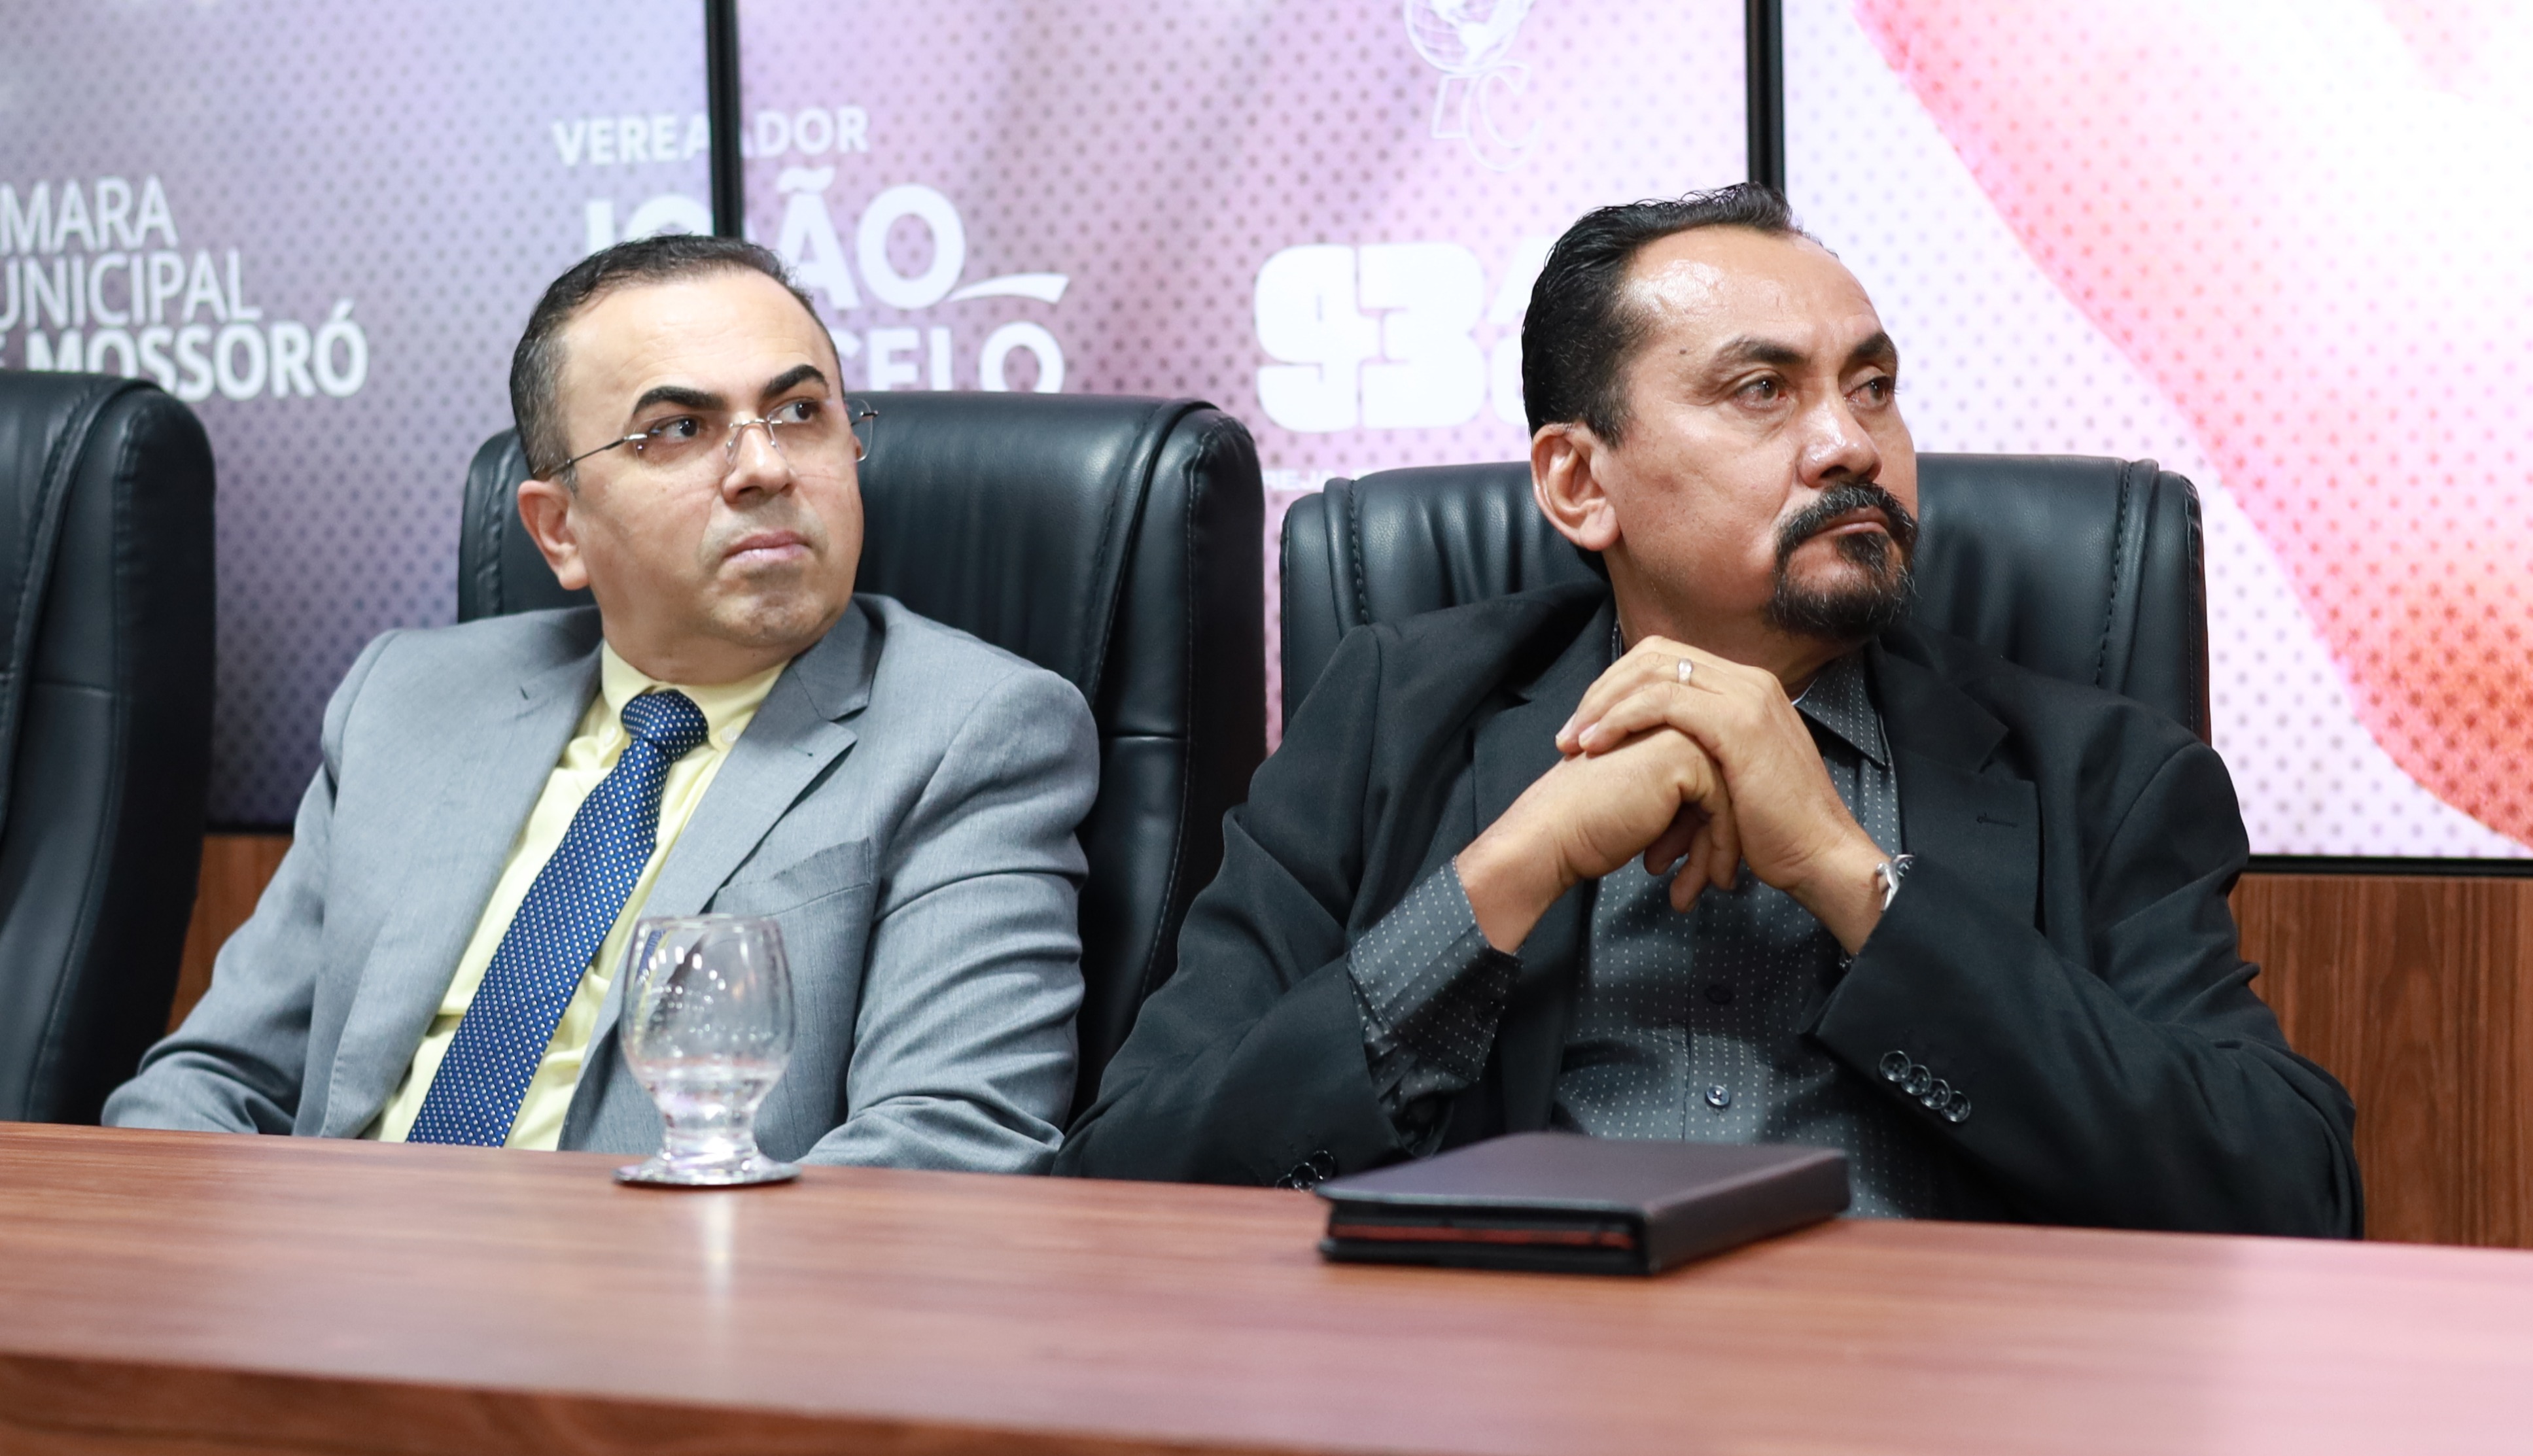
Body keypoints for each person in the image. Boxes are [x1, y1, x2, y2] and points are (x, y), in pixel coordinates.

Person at [1059, 185, 2360, 1234]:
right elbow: (1128, 1182)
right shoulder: (1393, 720)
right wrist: (1505, 877)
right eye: (1762, 391)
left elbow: (2285, 1195)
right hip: (1498, 1417)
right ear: (1580, 484)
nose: (1851, 443)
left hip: (1921, 1422)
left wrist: (1854, 876)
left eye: (1872, 385)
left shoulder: (2098, 770)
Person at [107, 235, 1096, 1171]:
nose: (765, 467)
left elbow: (943, 1149)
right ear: (559, 531)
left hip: (684, 1284)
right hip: (340, 1260)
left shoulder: (972, 733)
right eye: (680, 429)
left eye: (800, 411)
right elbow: (213, 1082)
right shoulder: (406, 701)